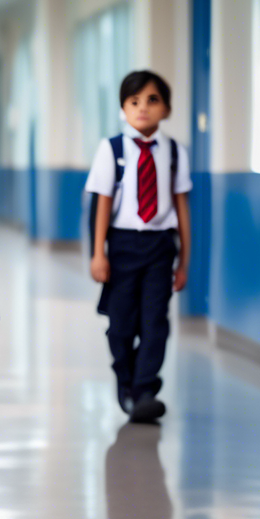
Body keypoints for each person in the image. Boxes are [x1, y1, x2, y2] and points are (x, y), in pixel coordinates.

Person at [85, 70, 192, 423]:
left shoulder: (174, 152)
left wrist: (184, 261)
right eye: (134, 101)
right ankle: (126, 380)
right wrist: (98, 253)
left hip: (161, 247)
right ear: (123, 109)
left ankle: (145, 390)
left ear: (166, 109)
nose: (142, 108)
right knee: (120, 325)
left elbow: (181, 207)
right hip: (122, 244)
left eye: (152, 100)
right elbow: (101, 204)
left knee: (155, 322)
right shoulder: (112, 149)